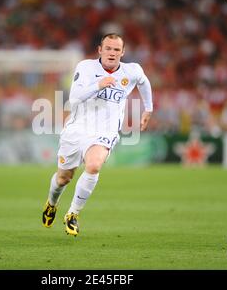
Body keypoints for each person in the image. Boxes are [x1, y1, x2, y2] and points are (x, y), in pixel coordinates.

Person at [42, 33, 153, 236]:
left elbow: (144, 83)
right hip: (77, 128)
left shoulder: (132, 70)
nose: (112, 53)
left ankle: (73, 214)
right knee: (63, 178)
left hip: (105, 131)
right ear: (100, 50)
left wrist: (148, 109)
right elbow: (74, 99)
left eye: (116, 50)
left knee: (93, 166)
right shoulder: (85, 67)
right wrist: (98, 85)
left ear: (123, 52)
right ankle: (51, 203)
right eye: (108, 48)